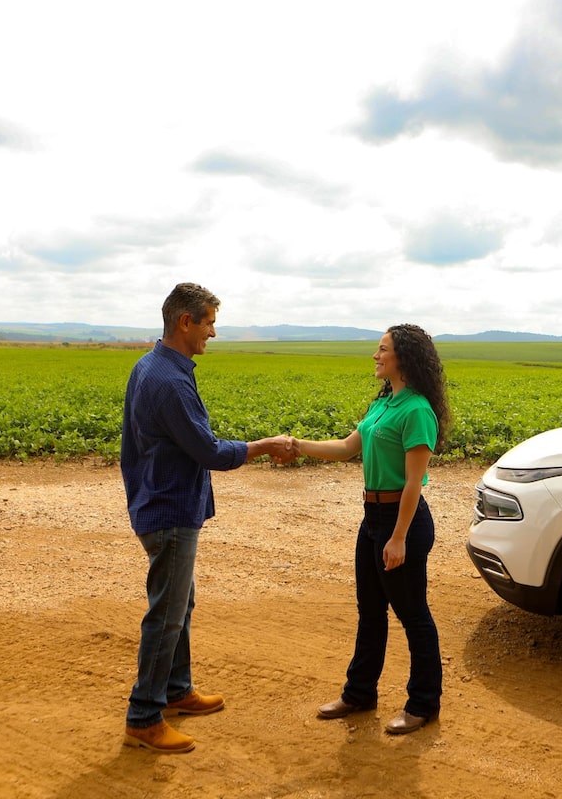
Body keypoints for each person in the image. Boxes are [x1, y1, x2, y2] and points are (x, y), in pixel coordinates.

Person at [121, 282, 294, 754]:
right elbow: (208, 451)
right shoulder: (170, 380)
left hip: (159, 501)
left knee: (180, 606)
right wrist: (264, 445)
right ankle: (144, 716)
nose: (213, 333)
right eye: (210, 322)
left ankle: (176, 691)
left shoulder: (152, 365)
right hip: (170, 509)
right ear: (185, 322)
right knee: (167, 616)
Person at [288, 323, 451, 735]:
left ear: (405, 358)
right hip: (373, 518)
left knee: (413, 616)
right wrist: (296, 444)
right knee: (370, 613)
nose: (375, 356)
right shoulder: (384, 404)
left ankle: (423, 704)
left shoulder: (417, 410)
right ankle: (359, 694)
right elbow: (346, 448)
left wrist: (398, 537)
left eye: (382, 350)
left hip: (403, 521)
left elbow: (414, 482)